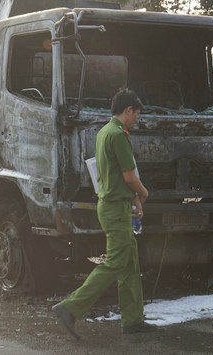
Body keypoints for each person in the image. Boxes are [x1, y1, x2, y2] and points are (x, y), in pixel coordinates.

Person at [52, 88, 155, 338]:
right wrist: (144, 194)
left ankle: (133, 320)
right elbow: (129, 176)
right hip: (115, 208)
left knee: (130, 264)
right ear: (128, 110)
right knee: (116, 263)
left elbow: (113, 175)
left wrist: (134, 201)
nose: (137, 119)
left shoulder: (103, 132)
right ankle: (69, 307)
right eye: (136, 114)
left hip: (113, 205)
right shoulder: (119, 135)